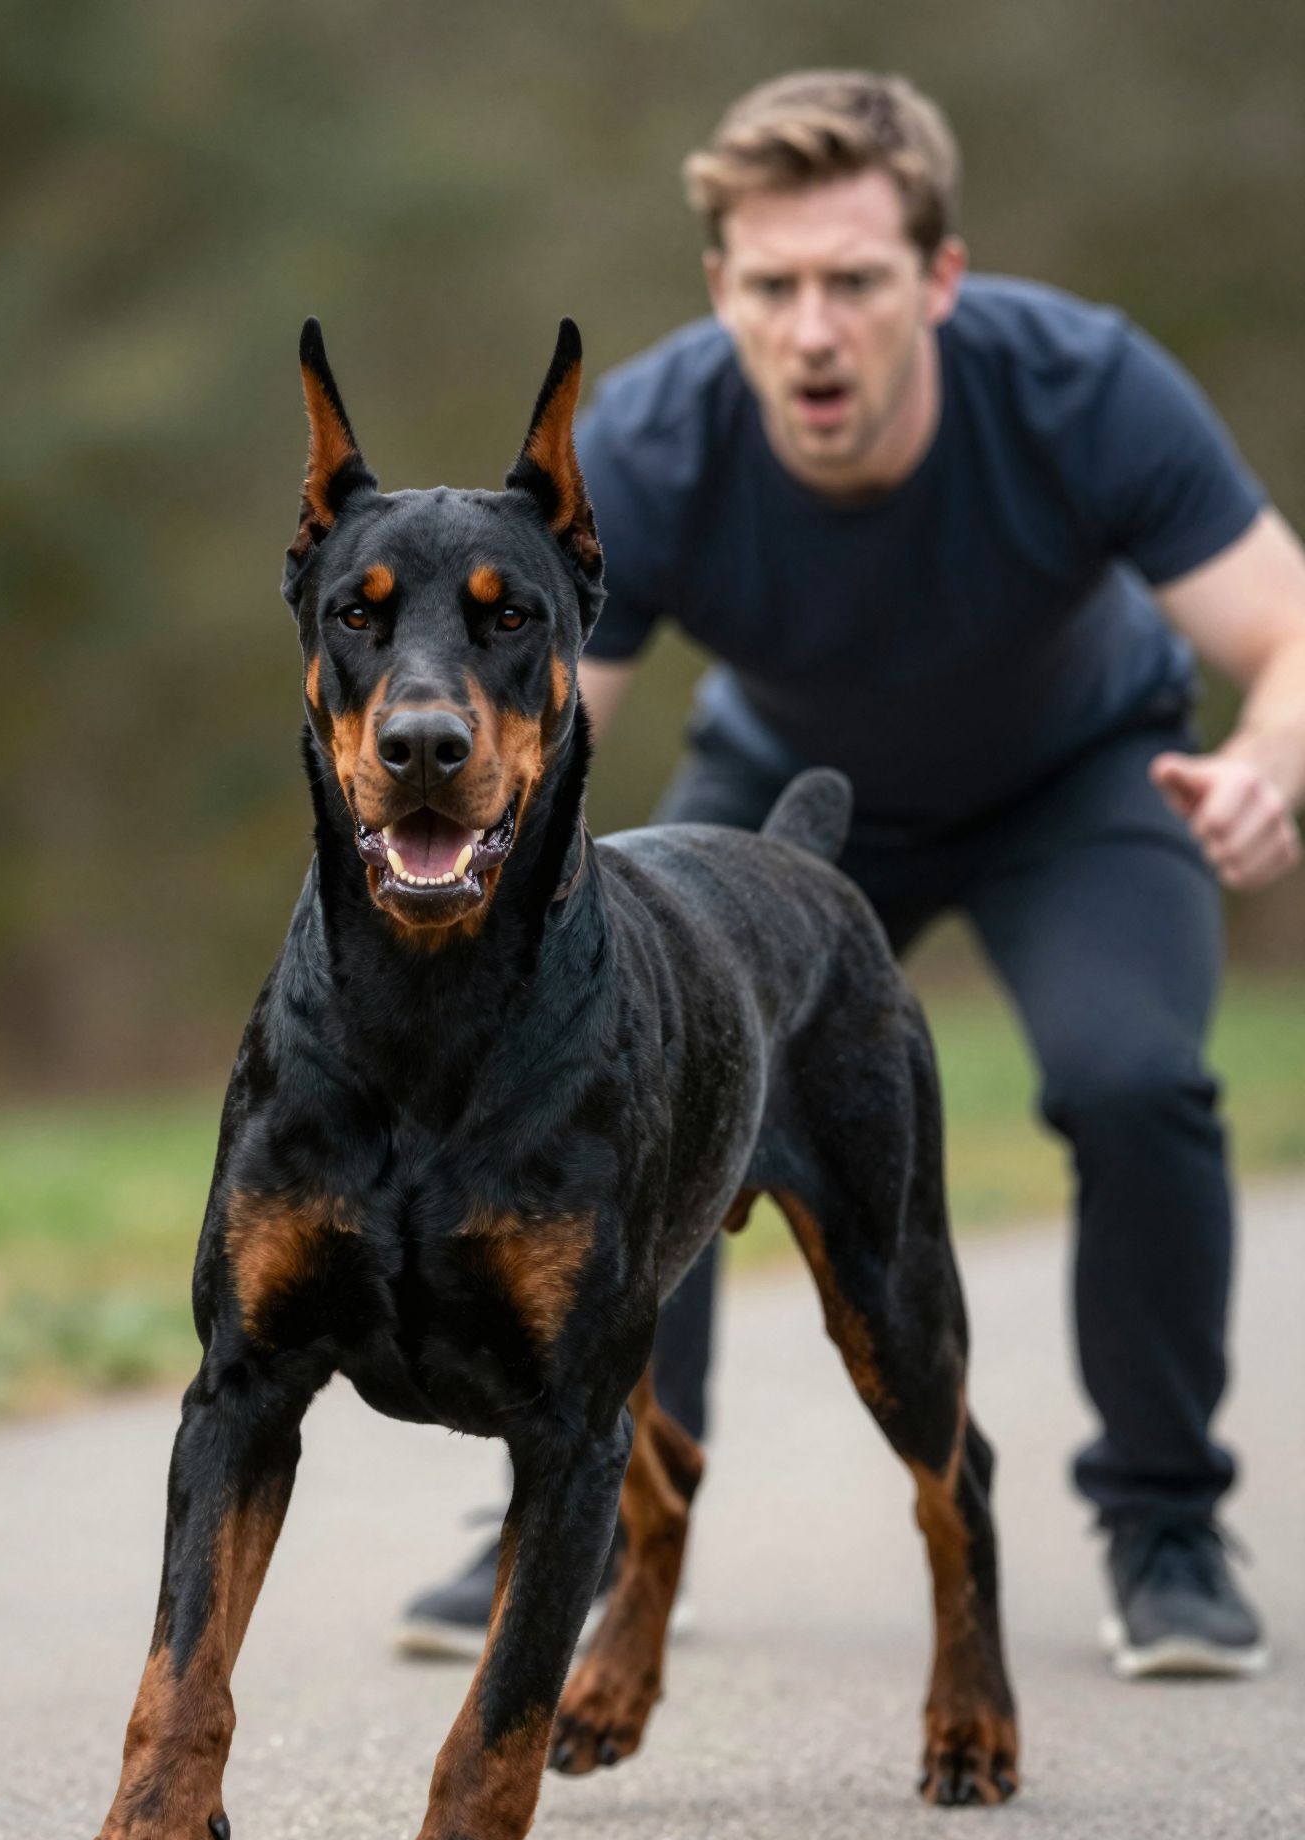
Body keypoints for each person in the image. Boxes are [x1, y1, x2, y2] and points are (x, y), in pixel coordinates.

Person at [397, 70, 1305, 1678]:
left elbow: (1286, 629)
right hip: (780, 800)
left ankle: (1164, 1522)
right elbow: (531, 740)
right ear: (720, 290)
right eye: (775, 286)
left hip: (1080, 790)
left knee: (1135, 1080)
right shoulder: (659, 439)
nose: (814, 330)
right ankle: (590, 1505)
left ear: (939, 282)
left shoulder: (1084, 388)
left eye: (857, 283)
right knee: (632, 1063)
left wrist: (1261, 770)